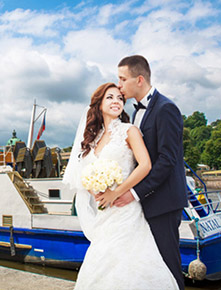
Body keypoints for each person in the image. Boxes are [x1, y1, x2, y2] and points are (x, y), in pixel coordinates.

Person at [63, 82, 179, 289]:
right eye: (110, 97)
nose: (116, 101)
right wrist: (95, 190)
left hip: (126, 209)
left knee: (129, 263)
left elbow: (145, 165)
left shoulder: (129, 130)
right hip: (104, 213)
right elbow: (83, 174)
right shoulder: (93, 139)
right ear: (98, 104)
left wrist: (116, 192)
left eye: (119, 98)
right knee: (101, 263)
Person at [103, 55, 187, 290]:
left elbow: (167, 161)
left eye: (122, 79)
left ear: (139, 79)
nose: (119, 85)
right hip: (143, 204)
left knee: (168, 267)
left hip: (164, 203)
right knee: (149, 269)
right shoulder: (131, 115)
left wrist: (134, 193)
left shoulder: (166, 108)